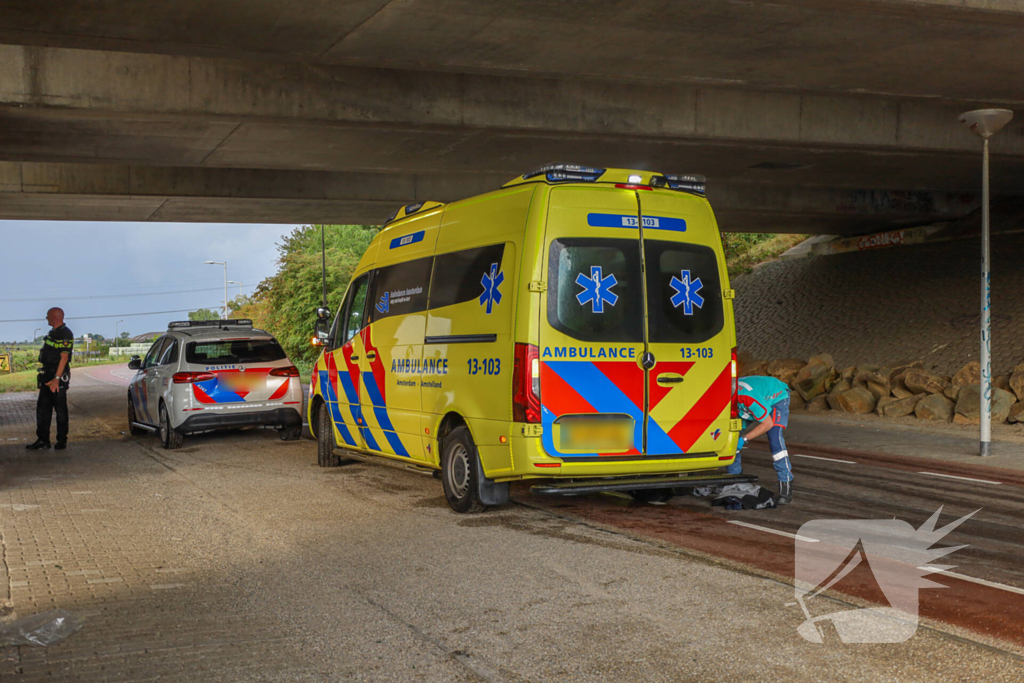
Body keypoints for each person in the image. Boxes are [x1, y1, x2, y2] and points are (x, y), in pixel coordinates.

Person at [726, 375, 793, 505]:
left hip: (776, 398)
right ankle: (734, 479)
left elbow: (767, 423)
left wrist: (745, 439)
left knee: (775, 439)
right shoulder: (727, 395)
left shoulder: (746, 396)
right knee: (732, 436)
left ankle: (786, 485)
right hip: (750, 400)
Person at [26, 308, 74, 451]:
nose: (46, 318)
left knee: (60, 410)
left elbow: (64, 358)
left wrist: (57, 379)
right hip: (47, 375)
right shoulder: (53, 333)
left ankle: (61, 441)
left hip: (57, 376)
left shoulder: (65, 333)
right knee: (43, 409)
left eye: (48, 315)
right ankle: (43, 440)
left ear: (54, 317)